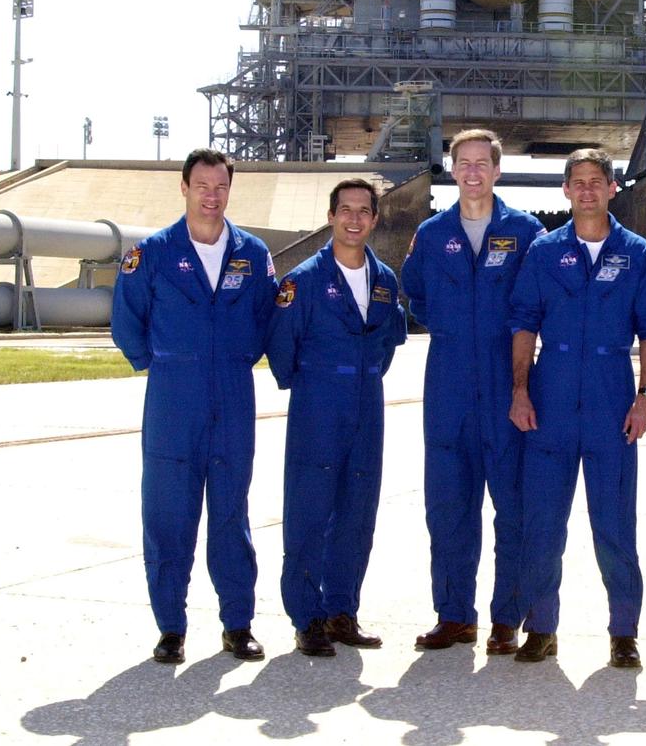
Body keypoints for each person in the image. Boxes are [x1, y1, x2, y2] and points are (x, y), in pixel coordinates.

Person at [112, 148, 277, 664]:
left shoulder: (252, 254)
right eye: (202, 185)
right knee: (168, 515)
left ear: (231, 189)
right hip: (172, 400)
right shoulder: (153, 252)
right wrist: (162, 365)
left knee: (232, 514)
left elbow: (267, 317)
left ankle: (237, 624)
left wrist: (233, 360)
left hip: (232, 396)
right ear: (183, 187)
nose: (212, 195)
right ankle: (171, 628)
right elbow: (125, 320)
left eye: (221, 186)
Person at [507, 148, 646, 668]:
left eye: (596, 181)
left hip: (610, 398)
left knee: (615, 524)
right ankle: (541, 628)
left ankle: (624, 632)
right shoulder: (543, 251)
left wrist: (645, 396)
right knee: (543, 523)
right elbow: (524, 323)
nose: (586, 190)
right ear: (565, 190)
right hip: (550, 392)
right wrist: (520, 389)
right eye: (577, 181)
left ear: (612, 188)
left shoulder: (638, 252)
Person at [401, 129, 546, 654]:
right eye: (463, 162)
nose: (473, 172)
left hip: (509, 382)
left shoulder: (526, 232)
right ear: (452, 169)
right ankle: (454, 615)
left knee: (513, 507)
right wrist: (449, 324)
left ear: (497, 170)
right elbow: (413, 291)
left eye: (482, 162)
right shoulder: (433, 233)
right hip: (449, 384)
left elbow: (537, 303)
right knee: (448, 507)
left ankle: (507, 618)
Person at [265, 178, 407, 657]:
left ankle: (342, 610)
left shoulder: (384, 280)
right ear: (331, 217)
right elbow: (281, 348)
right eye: (344, 210)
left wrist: (361, 376)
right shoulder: (302, 280)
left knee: (357, 509)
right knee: (309, 510)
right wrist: (312, 384)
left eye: (363, 211)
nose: (353, 219)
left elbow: (389, 341)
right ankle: (307, 617)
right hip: (318, 402)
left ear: (374, 218)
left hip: (368, 399)